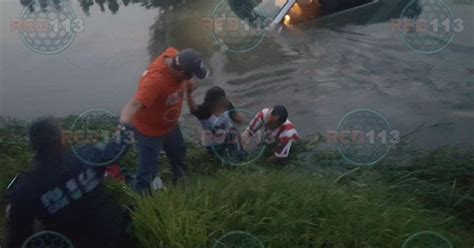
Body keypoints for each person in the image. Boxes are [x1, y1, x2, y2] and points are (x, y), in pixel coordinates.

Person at [4, 117, 131, 248]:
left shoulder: (26, 187)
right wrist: (126, 123)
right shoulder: (86, 155)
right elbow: (119, 146)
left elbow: (17, 236)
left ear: (33, 146)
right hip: (115, 232)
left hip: (73, 242)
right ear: (61, 139)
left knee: (15, 213)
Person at [119, 47, 208, 192]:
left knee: (179, 155)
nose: (191, 78)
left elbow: (184, 72)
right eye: (190, 76)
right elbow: (134, 104)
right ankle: (141, 201)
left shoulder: (173, 55)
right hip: (150, 132)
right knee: (147, 171)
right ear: (181, 72)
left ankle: (181, 184)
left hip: (171, 126)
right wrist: (123, 127)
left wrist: (189, 86)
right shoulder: (154, 82)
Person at [186, 86, 243, 155]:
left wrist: (239, 118)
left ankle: (238, 153)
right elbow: (193, 108)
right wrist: (188, 94)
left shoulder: (227, 105)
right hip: (213, 145)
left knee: (233, 131)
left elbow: (237, 119)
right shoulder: (203, 111)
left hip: (229, 138)